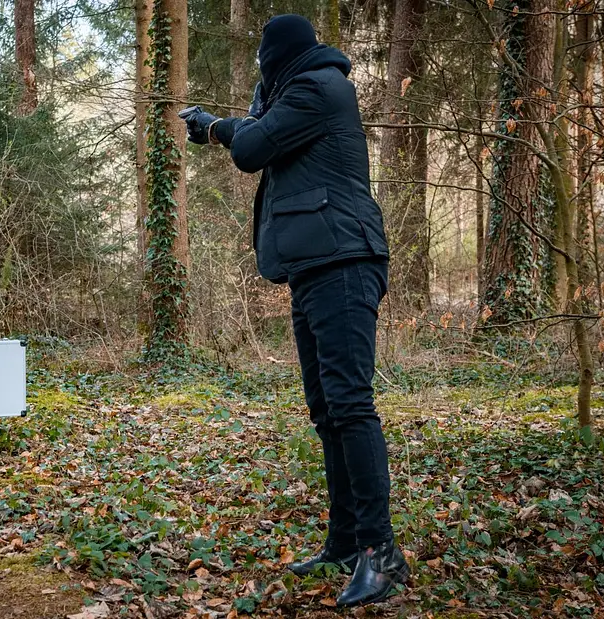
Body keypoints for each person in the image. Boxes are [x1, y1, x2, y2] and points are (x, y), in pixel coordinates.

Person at [181, 14, 408, 607]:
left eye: (263, 61)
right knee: (327, 407)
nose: (261, 69)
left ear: (278, 57)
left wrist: (215, 128)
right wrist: (240, 116)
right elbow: (263, 134)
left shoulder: (319, 87)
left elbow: (253, 147)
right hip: (316, 267)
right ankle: (344, 540)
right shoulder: (297, 90)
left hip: (345, 262)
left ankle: (380, 554)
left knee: (351, 404)